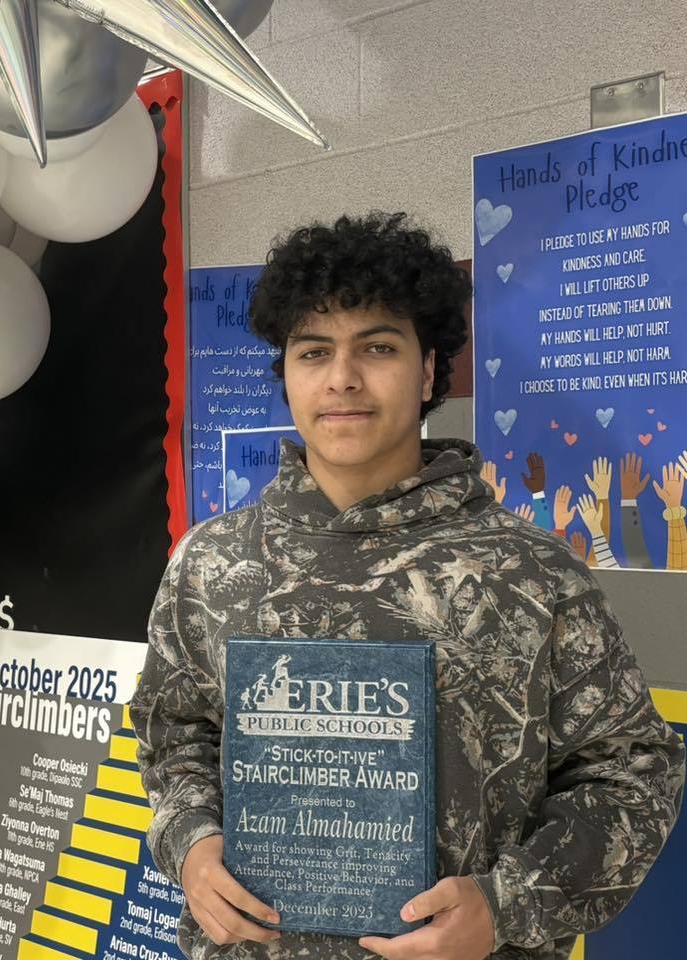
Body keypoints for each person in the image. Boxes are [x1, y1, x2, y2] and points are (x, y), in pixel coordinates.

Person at [129, 214, 685, 960]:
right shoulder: (211, 565)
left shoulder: (530, 573)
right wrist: (192, 846)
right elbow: (173, 737)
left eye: (378, 347)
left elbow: (633, 776)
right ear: (286, 374)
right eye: (313, 351)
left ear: (428, 372)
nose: (342, 378)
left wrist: (507, 905)